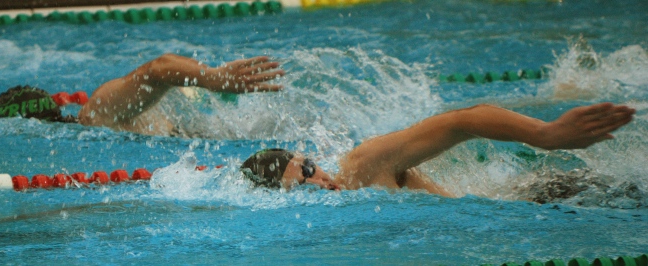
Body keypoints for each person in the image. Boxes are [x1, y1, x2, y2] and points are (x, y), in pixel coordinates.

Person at [241, 103, 636, 197]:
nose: (320, 182)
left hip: (545, 196)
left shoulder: (363, 167)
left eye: (309, 168)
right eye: (304, 184)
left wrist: (545, 134)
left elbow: (459, 122)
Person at [0, 53, 285, 135]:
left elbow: (159, 67)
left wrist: (214, 78)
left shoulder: (96, 114)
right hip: (214, 134)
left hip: (220, 135)